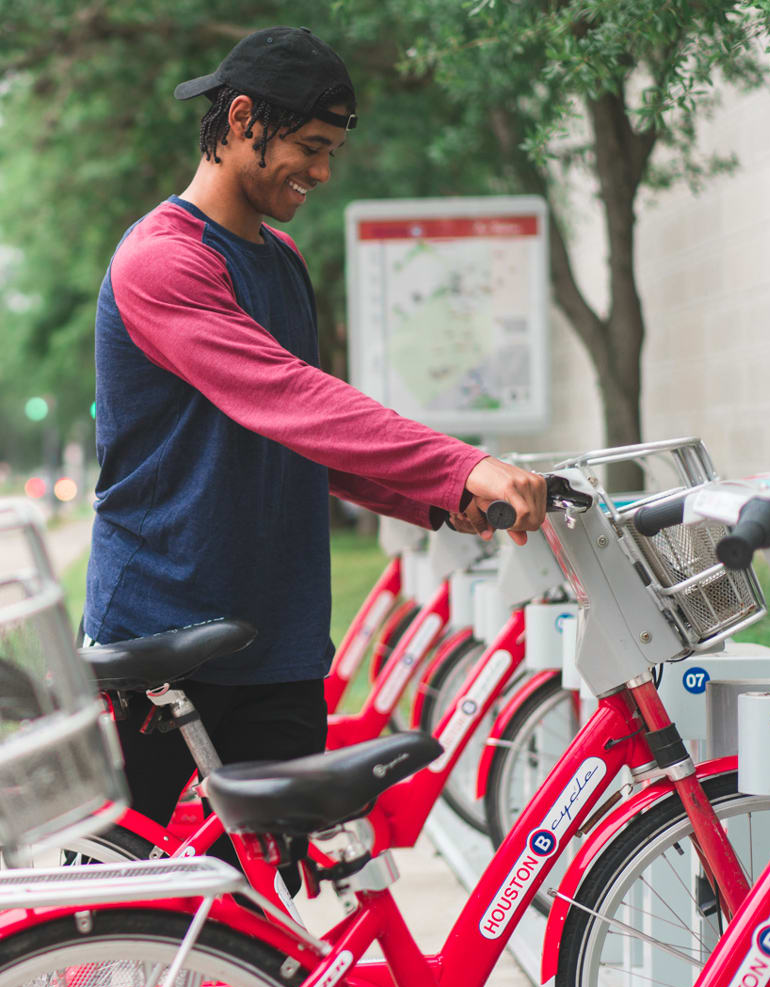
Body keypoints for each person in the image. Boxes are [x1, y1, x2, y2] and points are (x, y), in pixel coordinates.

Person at [84, 26, 549, 828]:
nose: (323, 172)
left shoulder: (282, 260)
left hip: (277, 636)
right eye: (309, 145)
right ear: (239, 121)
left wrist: (439, 499)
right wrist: (456, 463)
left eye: (332, 149)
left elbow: (303, 435)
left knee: (266, 913)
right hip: (161, 634)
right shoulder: (163, 261)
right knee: (114, 905)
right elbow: (288, 397)